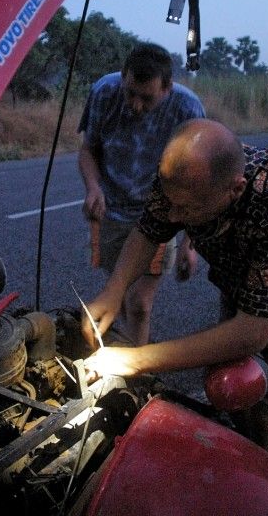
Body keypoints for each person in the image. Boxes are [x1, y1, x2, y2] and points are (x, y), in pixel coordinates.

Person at [82, 118, 268, 459]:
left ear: (234, 189)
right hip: (241, 287)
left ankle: (261, 491)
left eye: (186, 209)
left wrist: (138, 360)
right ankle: (231, 453)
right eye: (171, 201)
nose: (173, 214)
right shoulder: (181, 177)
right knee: (230, 390)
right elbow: (148, 230)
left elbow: (252, 332)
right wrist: (114, 290)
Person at [78, 43, 205, 345]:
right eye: (130, 93)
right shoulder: (103, 92)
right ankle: (129, 352)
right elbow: (87, 151)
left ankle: (138, 375)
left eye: (146, 98)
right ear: (122, 78)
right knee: (118, 296)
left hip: (160, 215)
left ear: (167, 88)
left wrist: (190, 242)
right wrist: (93, 188)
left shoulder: (188, 109)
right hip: (112, 212)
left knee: (139, 303)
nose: (135, 105)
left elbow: (200, 181)